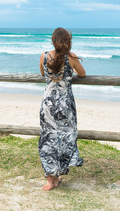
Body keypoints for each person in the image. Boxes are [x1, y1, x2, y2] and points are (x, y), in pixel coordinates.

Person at [38, 27, 86, 191]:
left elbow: (42, 72)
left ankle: (51, 179)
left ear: (53, 41)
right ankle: (58, 175)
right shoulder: (70, 58)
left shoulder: (44, 56)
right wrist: (71, 59)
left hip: (48, 104)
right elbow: (82, 74)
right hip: (65, 105)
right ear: (68, 42)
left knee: (48, 139)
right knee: (65, 138)